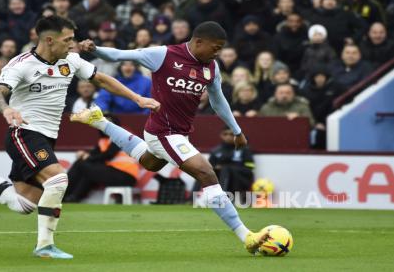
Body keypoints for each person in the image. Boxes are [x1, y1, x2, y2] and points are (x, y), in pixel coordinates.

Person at [0, 15, 159, 259]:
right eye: (68, 40)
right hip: (25, 133)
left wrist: (138, 98)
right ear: (50, 40)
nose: (73, 44)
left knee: (24, 204)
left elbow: (102, 79)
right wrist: (7, 108)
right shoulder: (21, 64)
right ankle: (45, 246)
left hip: (47, 137)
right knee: (59, 179)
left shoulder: (70, 60)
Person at [73, 21, 269, 255]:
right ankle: (246, 235)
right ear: (198, 42)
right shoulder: (163, 55)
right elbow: (121, 55)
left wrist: (237, 130)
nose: (218, 53)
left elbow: (218, 102)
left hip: (177, 133)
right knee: (206, 172)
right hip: (163, 131)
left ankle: (99, 121)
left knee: (150, 162)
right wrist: (94, 49)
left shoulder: (212, 68)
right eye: (215, 48)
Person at [64, 114, 139, 202]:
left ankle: (62, 193)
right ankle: (73, 198)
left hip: (125, 175)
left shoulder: (121, 135)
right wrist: (84, 154)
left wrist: (88, 158)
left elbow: (109, 154)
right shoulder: (103, 141)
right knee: (88, 169)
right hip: (114, 172)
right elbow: (93, 155)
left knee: (81, 164)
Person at [209, 126, 255, 203]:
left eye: (231, 134)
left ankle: (223, 197)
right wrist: (216, 167)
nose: (228, 137)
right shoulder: (216, 150)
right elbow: (209, 166)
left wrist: (230, 168)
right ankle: (192, 199)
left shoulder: (244, 149)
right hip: (219, 176)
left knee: (226, 169)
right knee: (201, 171)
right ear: (221, 135)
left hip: (241, 177)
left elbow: (250, 167)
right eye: (225, 134)